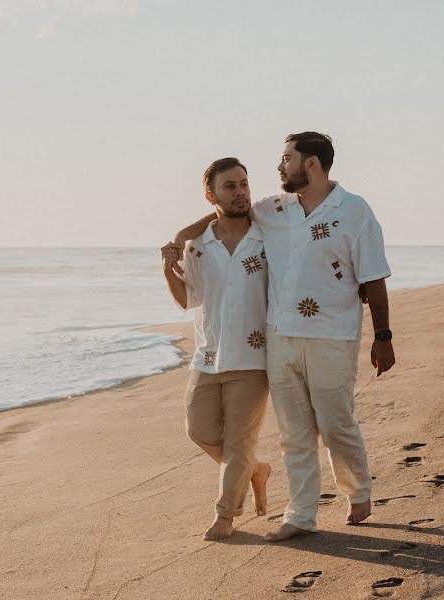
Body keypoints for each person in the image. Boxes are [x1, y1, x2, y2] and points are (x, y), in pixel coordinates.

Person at [171, 132, 395, 542]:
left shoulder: (355, 211)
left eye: (286, 159)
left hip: (332, 335)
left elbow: (373, 276)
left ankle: (357, 491)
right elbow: (222, 214)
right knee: (294, 432)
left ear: (310, 164)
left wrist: (383, 335)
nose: (278, 167)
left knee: (336, 423)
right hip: (279, 336)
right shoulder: (273, 208)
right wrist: (183, 235)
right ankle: (301, 514)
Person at [161, 157, 272, 541]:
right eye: (230, 186)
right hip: (208, 354)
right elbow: (187, 299)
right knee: (199, 430)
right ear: (210, 195)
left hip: (254, 356)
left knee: (240, 440)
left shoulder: (268, 234)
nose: (240, 192)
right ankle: (255, 470)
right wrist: (166, 268)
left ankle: (225, 516)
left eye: (244, 183)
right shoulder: (197, 246)